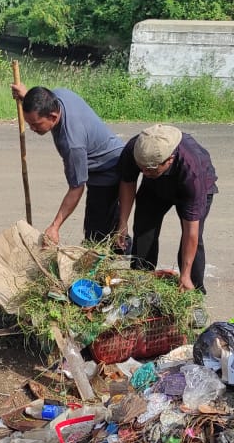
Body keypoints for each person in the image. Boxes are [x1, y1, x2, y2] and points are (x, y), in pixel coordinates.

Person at [12, 84, 124, 244]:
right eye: (29, 123)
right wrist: (27, 95)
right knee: (103, 228)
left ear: (53, 116)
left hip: (107, 167)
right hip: (96, 152)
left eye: (36, 124)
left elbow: (77, 187)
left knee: (98, 234)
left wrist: (55, 226)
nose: (32, 128)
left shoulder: (72, 143)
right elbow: (41, 99)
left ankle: (126, 256)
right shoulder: (58, 96)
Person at [115, 124, 218, 292]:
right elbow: (128, 182)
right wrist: (123, 222)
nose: (145, 173)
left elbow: (190, 232)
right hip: (155, 186)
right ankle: (140, 286)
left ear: (169, 159)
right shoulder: (136, 149)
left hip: (195, 186)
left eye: (150, 170)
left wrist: (184, 274)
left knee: (194, 240)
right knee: (143, 228)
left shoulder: (192, 171)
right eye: (142, 169)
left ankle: (192, 290)